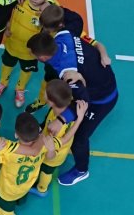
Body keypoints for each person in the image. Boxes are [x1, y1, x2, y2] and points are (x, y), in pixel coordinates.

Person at [27, 30, 118, 186]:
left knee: (80, 138)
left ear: (42, 58)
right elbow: (71, 18)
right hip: (95, 83)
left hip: (100, 100)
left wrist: (61, 120)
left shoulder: (70, 76)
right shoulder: (63, 36)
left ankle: (82, 170)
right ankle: (42, 129)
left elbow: (83, 102)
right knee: (56, 102)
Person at [0, 106, 84, 215]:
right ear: (38, 132)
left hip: (6, 189)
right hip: (25, 187)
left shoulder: (9, 151)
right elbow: (65, 139)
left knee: (6, 209)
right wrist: (79, 119)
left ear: (16, 134)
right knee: (7, 205)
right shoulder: (45, 144)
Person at [25, 5, 111, 113]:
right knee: (47, 83)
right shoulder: (54, 22)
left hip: (66, 75)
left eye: (47, 28)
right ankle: (41, 102)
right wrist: (52, 7)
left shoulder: (72, 33)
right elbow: (73, 17)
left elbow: (97, 44)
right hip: (51, 70)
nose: (45, 30)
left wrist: (103, 55)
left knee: (61, 96)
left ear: (60, 24)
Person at [0, 0, 55, 107]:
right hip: (12, 45)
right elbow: (7, 10)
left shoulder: (48, 10)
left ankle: (20, 89)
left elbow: (57, 16)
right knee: (7, 65)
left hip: (29, 51)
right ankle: (3, 83)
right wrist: (7, 26)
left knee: (26, 70)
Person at [29, 79, 86, 197]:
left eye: (46, 93)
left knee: (46, 171)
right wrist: (79, 120)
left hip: (53, 155)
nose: (43, 92)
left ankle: (41, 189)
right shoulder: (68, 108)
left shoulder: (55, 128)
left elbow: (61, 141)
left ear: (51, 102)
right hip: (61, 149)